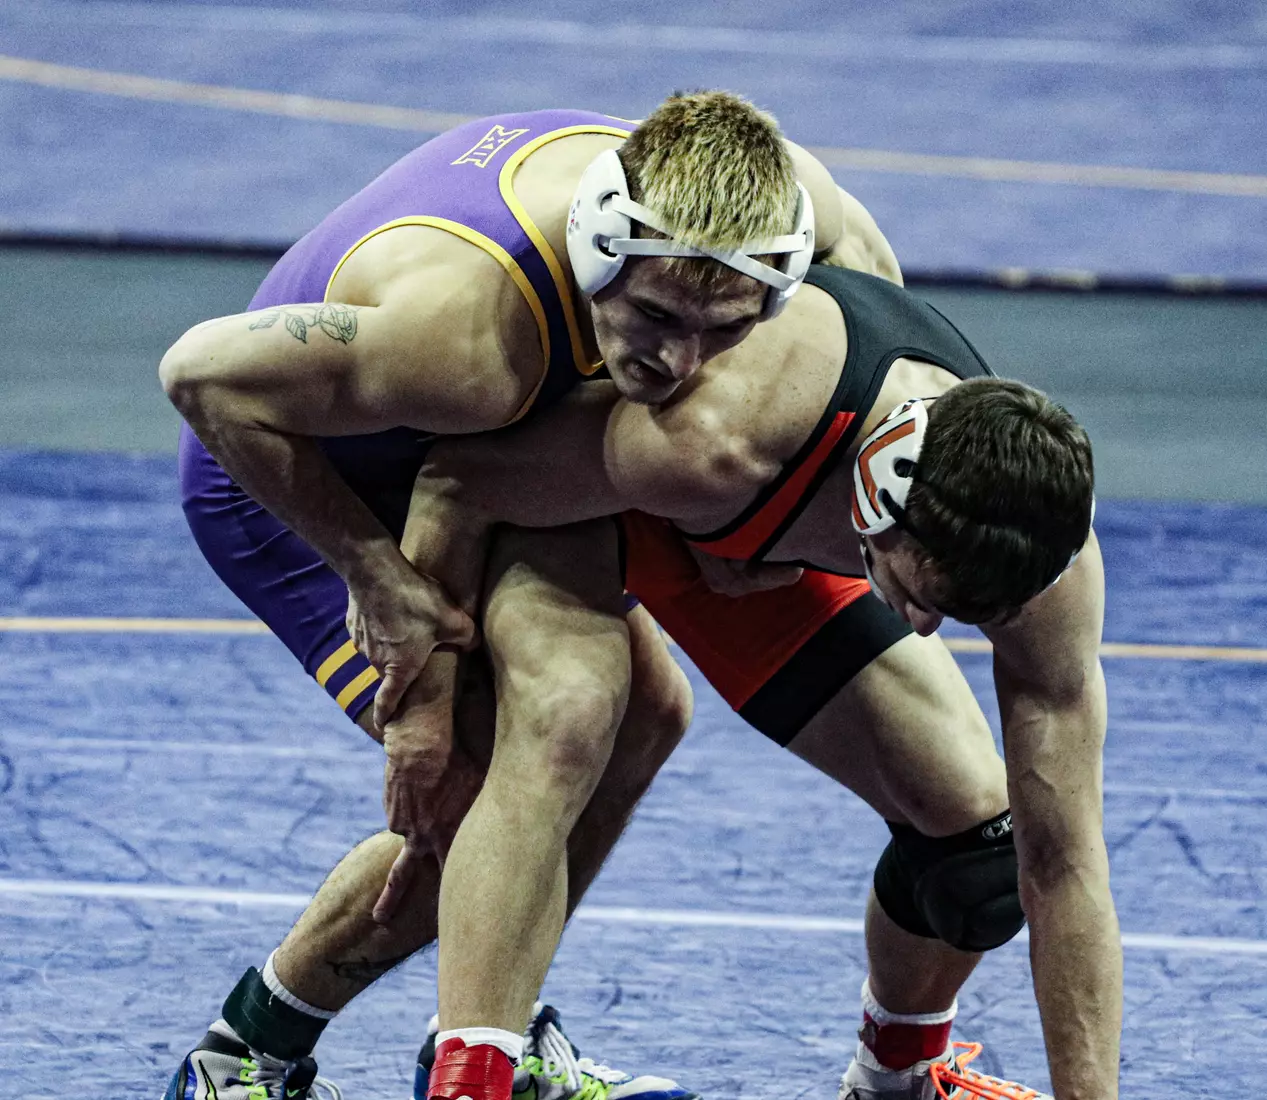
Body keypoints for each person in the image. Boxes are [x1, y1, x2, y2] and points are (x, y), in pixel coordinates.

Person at [158, 89, 897, 1100]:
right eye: (650, 316)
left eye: (720, 328)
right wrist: (381, 584)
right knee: (496, 770)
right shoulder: (469, 339)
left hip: (473, 451)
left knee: (643, 716)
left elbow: (880, 339)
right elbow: (201, 374)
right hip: (300, 473)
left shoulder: (806, 221)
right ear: (598, 250)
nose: (677, 362)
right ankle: (246, 1051)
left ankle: (497, 1026)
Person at [402, 262, 1119, 1100]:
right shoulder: (719, 429)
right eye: (921, 597)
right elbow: (458, 479)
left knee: (977, 854)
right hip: (598, 496)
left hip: (760, 534)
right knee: (551, 741)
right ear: (878, 487)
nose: (920, 628)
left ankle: (896, 1078)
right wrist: (425, 708)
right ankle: (282, 1048)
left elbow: (1063, 862)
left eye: (954, 614)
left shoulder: (1044, 570)